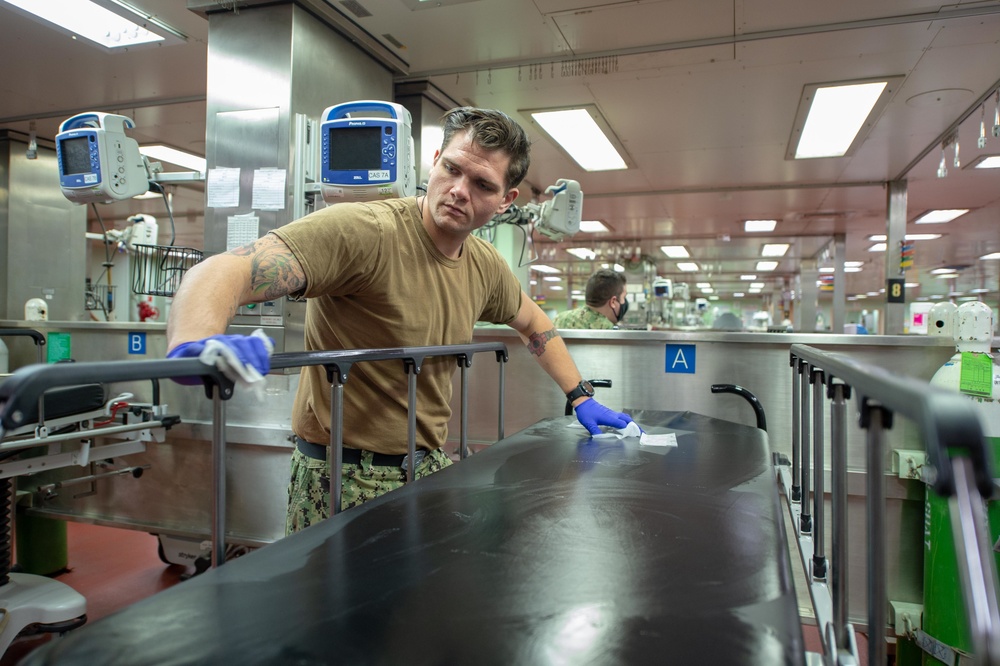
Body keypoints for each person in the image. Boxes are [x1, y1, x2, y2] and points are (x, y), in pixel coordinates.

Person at [166, 106, 635, 534]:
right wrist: (195, 340)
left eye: (482, 185)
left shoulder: (484, 264)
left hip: (425, 469)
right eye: (452, 168)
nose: (458, 191)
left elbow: (534, 323)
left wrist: (579, 396)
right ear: (434, 160)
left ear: (507, 199)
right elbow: (226, 269)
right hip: (340, 478)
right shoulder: (364, 232)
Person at [553, 269, 628, 329]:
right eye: (623, 297)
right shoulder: (612, 331)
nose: (624, 301)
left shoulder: (559, 319)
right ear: (613, 302)